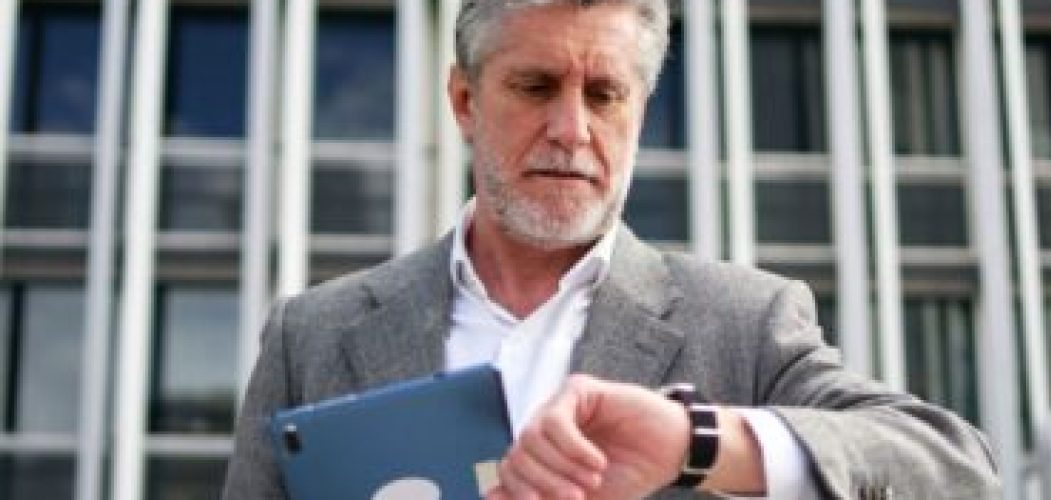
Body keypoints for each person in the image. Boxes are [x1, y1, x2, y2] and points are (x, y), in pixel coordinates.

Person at [223, 1, 1001, 498]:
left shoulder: (743, 321)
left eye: (604, 95)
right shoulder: (310, 336)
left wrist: (699, 444)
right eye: (535, 87)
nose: (572, 130)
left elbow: (956, 471)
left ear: (640, 108)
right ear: (464, 100)